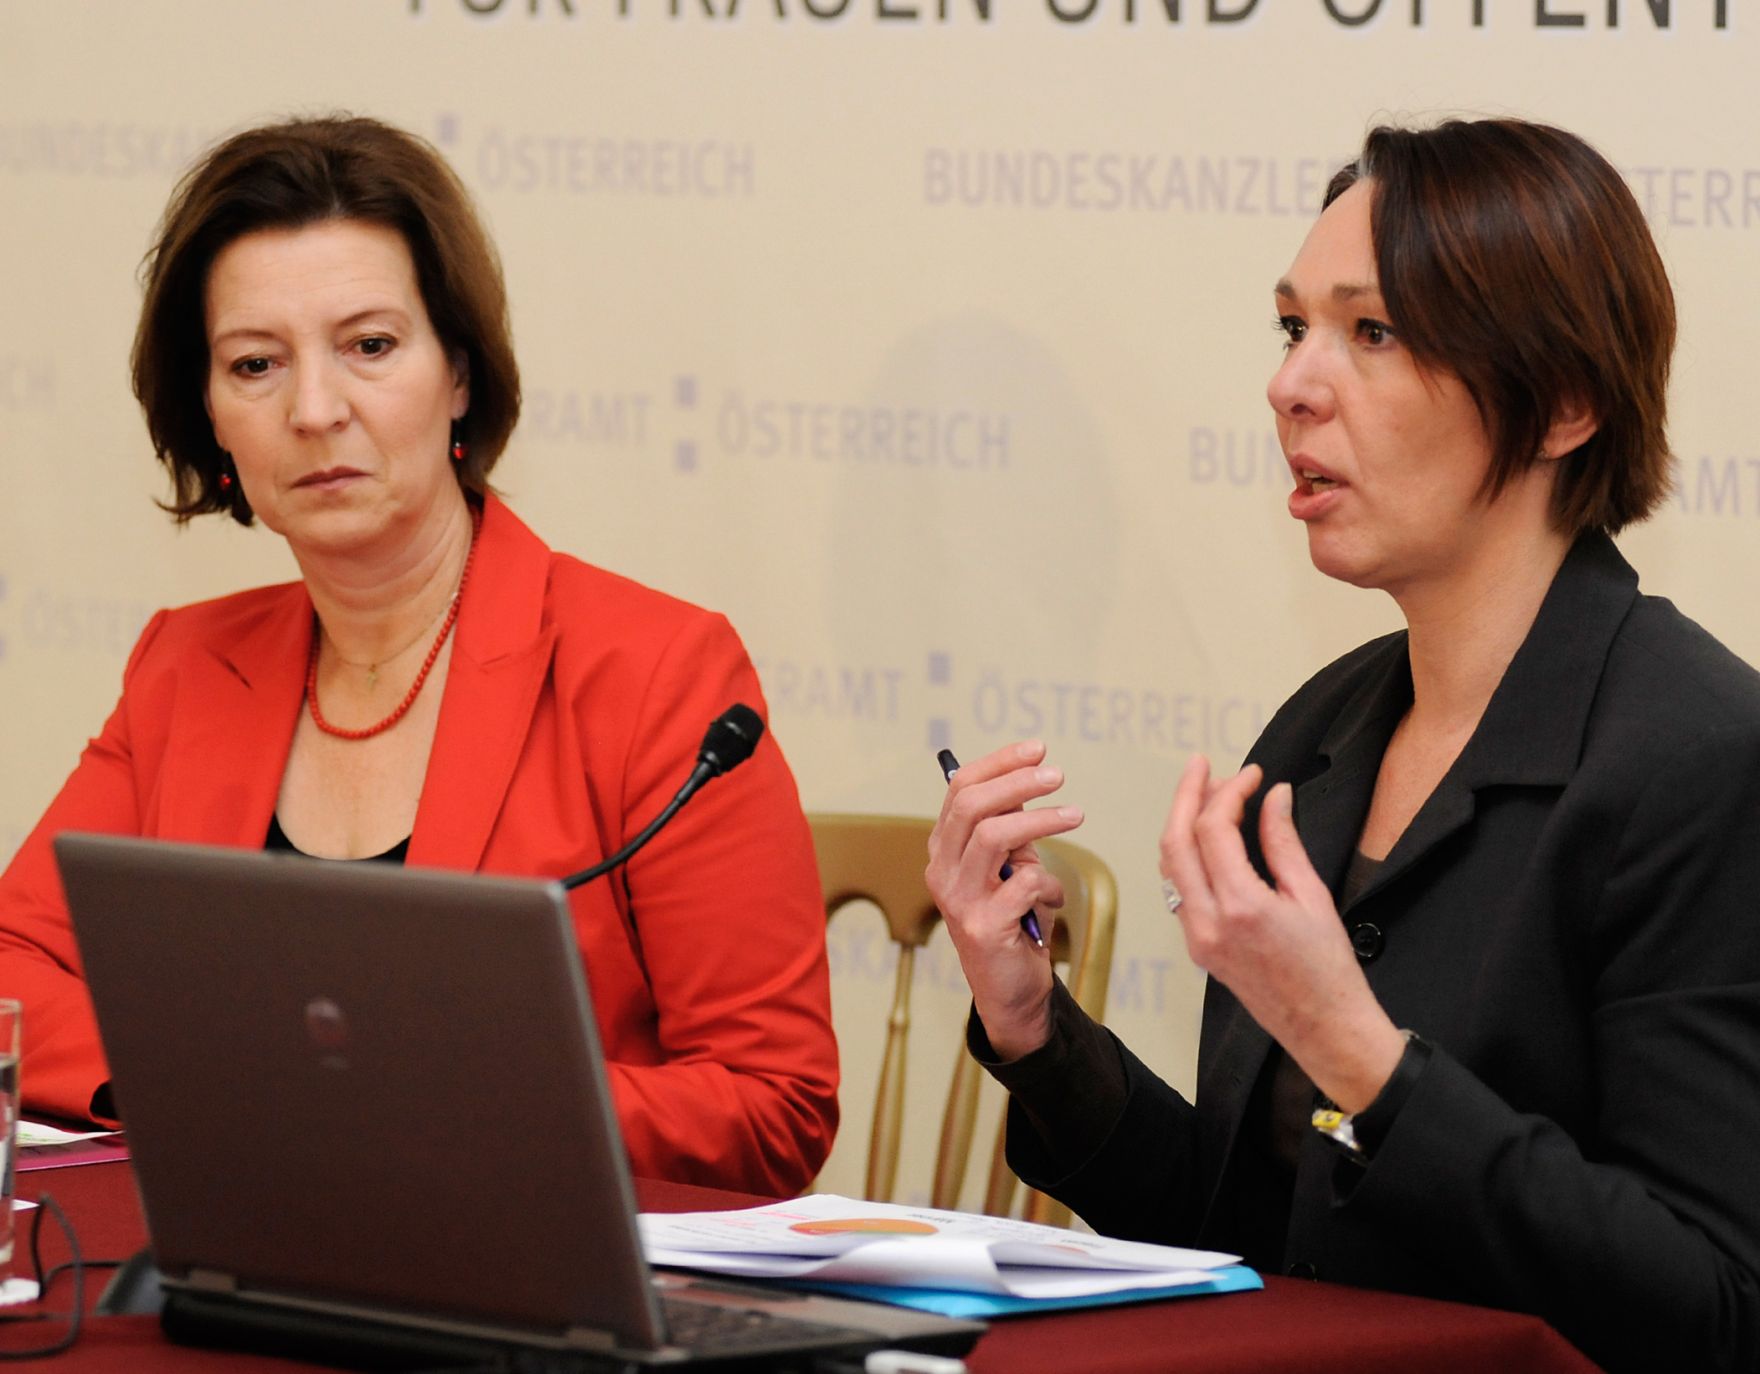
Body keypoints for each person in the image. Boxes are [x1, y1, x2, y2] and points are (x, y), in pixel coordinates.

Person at [927, 118, 1760, 1372]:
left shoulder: (1698, 757)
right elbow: (1246, 1237)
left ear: (1566, 405)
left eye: (1371, 333)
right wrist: (1038, 1029)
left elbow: (1710, 1307)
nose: (1290, 385)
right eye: (1289, 327)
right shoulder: (1323, 732)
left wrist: (1359, 1054)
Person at [0, 115, 838, 1198]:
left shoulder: (656, 672)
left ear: (458, 373)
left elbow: (771, 1107)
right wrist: (216, 1080)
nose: (314, 410)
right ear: (209, 418)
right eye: (254, 364)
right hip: (245, 1260)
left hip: (533, 1294)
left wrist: (413, 1097)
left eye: (370, 347)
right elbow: (12, 972)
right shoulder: (186, 666)